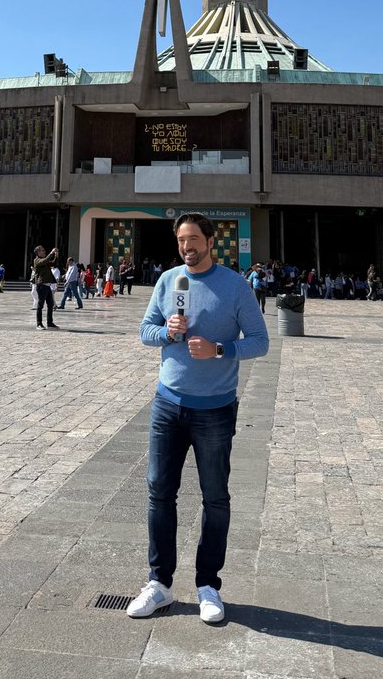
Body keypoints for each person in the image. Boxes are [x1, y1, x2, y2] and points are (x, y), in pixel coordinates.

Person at [129, 212, 269, 625]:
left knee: (215, 497)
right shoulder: (169, 281)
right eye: (180, 241)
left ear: (210, 241)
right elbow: (145, 331)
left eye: (193, 239)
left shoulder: (235, 286)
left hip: (215, 410)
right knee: (159, 493)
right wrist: (167, 332)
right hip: (167, 405)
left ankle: (208, 585)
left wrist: (220, 350)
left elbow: (260, 341)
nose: (186, 247)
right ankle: (159, 583)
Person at [31, 245, 59, 330]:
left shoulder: (44, 260)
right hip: (41, 285)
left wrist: (56, 255)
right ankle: (39, 324)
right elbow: (45, 260)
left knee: (50, 305)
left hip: (47, 286)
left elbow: (53, 263)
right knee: (40, 305)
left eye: (44, 250)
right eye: (42, 250)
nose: (44, 251)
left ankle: (49, 323)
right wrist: (51, 253)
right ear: (38, 252)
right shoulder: (37, 260)